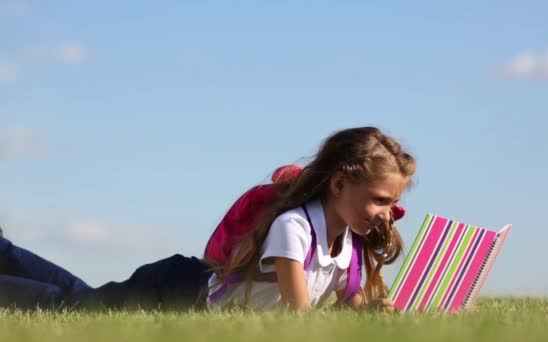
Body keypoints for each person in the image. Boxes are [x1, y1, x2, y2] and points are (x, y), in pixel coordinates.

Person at [0, 126, 416, 311]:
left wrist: (374, 313)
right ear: (340, 185)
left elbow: (351, 302)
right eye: (380, 200)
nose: (387, 215)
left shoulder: (350, 249)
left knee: (79, 297)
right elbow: (300, 318)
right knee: (69, 305)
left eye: (392, 203)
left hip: (187, 289)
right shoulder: (295, 230)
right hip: (176, 287)